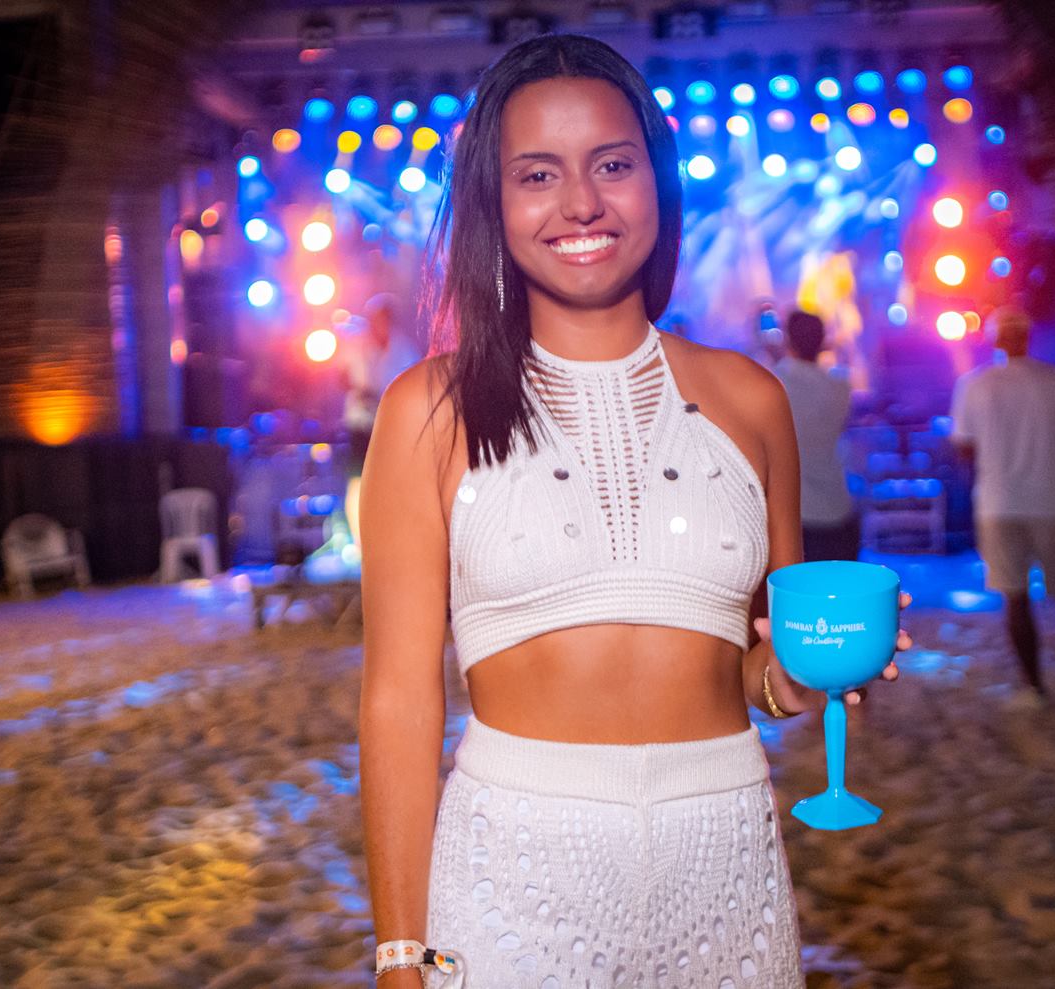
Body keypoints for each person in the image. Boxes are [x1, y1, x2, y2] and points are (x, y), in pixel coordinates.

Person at [357, 34, 909, 989]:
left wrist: (811, 673)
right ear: (493, 201)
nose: (581, 203)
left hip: (724, 870)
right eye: (538, 174)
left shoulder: (752, 400)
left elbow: (759, 666)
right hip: (512, 878)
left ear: (658, 180)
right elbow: (400, 699)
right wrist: (401, 957)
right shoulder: (428, 410)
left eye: (612, 165)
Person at [950, 307, 1055, 703]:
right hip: (1050, 500)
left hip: (998, 503)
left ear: (993, 339)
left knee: (1015, 597)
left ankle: (1034, 688)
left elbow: (963, 448)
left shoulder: (974, 384)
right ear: (1029, 337)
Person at [774, 311, 857, 562]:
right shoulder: (840, 386)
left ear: (787, 339)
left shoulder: (774, 382)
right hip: (836, 502)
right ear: (823, 341)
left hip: (792, 511)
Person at [342, 294, 421, 547]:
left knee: (393, 479)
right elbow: (342, 378)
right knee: (358, 480)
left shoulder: (404, 349)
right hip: (360, 424)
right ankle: (359, 542)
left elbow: (412, 387)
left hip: (392, 426)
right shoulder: (356, 346)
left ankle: (392, 536)